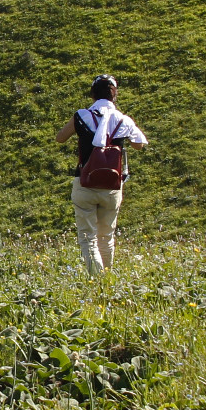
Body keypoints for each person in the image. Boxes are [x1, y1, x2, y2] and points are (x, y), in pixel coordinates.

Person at [54, 75, 148, 275]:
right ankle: (106, 278)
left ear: (92, 93)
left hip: (85, 182)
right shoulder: (123, 119)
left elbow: (60, 138)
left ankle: (95, 278)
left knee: (88, 237)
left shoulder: (82, 115)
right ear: (115, 95)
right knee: (106, 236)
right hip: (112, 186)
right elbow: (139, 145)